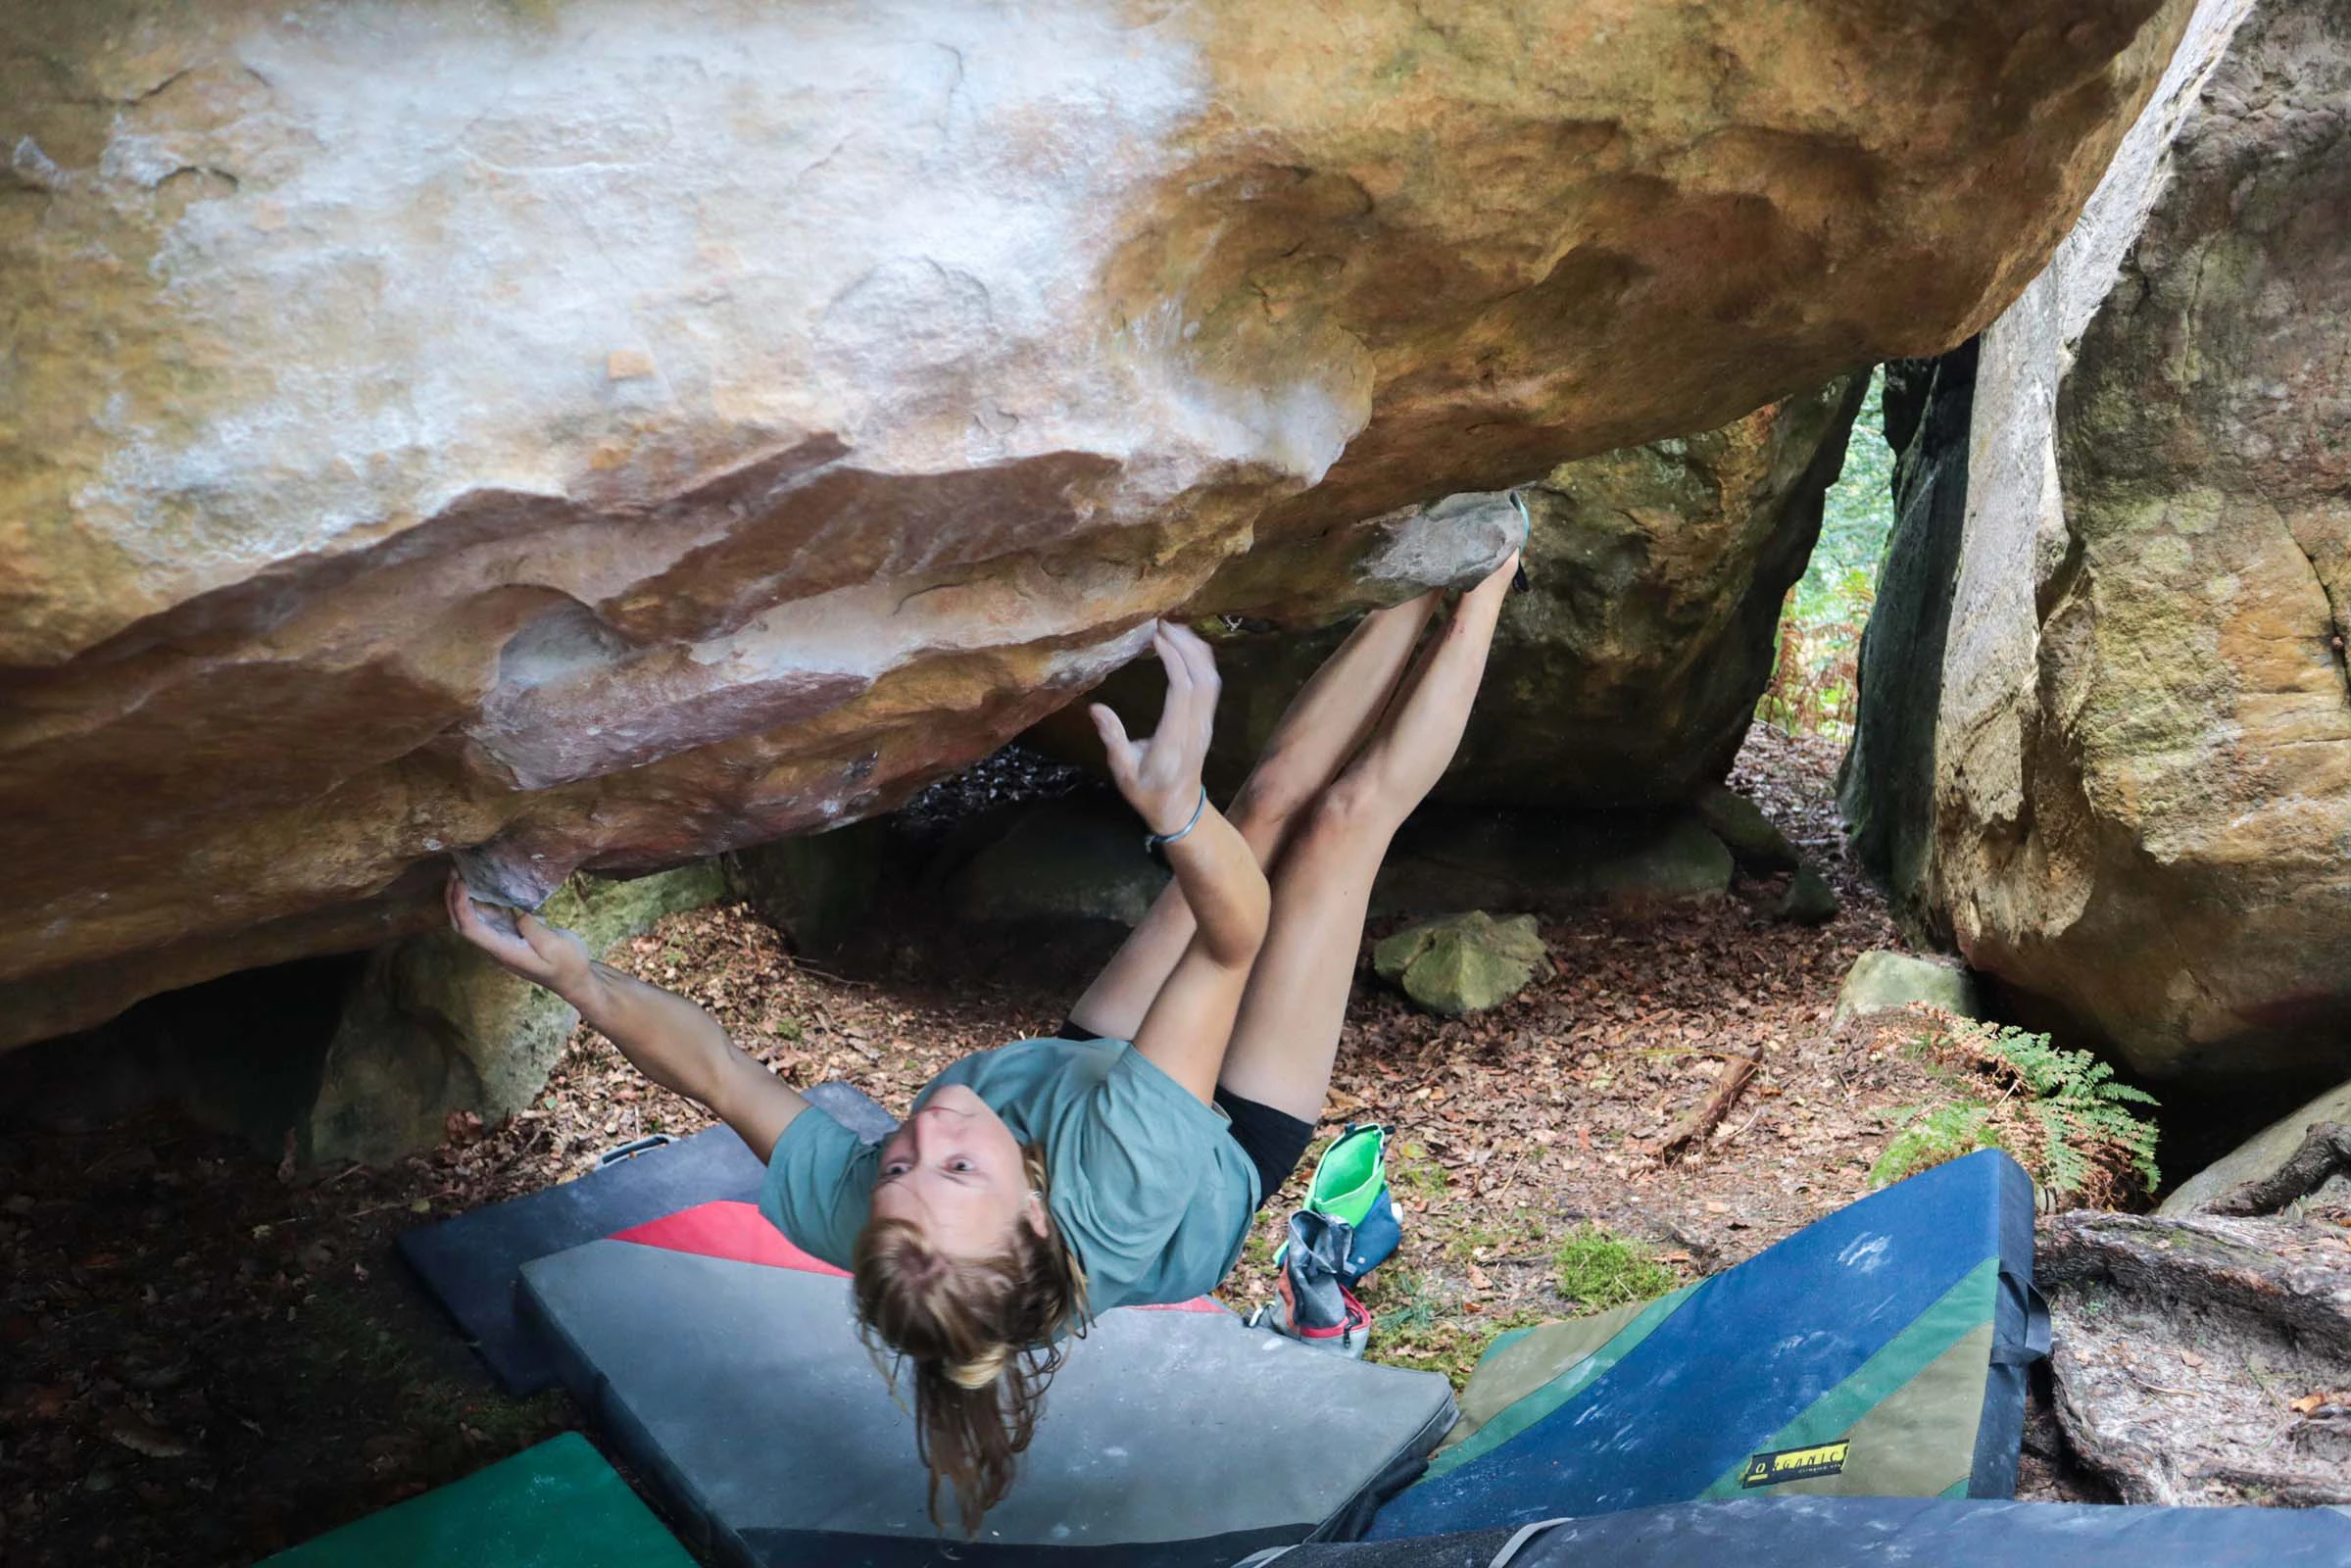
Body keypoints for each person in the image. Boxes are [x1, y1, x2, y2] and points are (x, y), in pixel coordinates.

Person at [445, 553, 1518, 1532]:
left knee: (1266, 800)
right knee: (1334, 822)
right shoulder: (1115, 1183)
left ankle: (1413, 575)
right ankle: (1486, 576)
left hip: (1066, 1084)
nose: (923, 1129)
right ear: (1035, 1207)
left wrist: (579, 975)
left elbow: (720, 1071)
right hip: (1215, 1146)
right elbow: (1231, 941)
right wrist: (1178, 818)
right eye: (953, 1165)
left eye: (900, 1164)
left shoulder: (870, 1219)